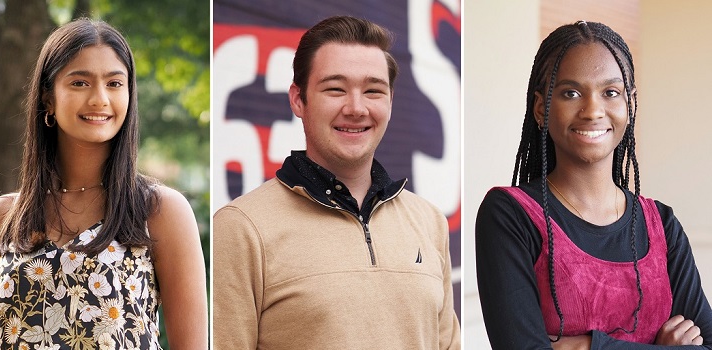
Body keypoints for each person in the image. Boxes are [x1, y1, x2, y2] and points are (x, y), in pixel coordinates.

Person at [213, 15, 460, 349]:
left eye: (373, 91)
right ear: (298, 100)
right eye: (335, 89)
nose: (356, 108)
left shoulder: (429, 221)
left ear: (390, 101)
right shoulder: (242, 228)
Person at [0, 18, 208, 349]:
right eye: (80, 83)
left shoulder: (158, 211)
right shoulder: (1, 219)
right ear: (47, 99)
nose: (99, 99)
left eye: (114, 84)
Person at [475, 20, 712, 349]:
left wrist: (586, 345)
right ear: (542, 109)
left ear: (629, 104)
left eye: (610, 92)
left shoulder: (661, 224)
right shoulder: (510, 215)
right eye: (571, 93)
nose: (592, 110)